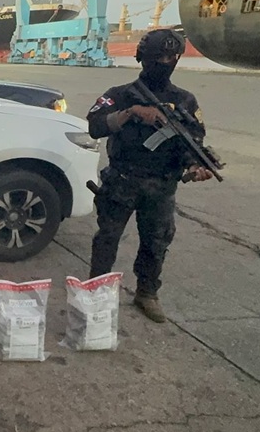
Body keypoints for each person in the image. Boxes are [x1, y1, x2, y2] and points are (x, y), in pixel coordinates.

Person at [85, 29, 214, 323]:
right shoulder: (120, 95)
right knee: (107, 239)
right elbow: (95, 126)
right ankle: (95, 291)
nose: (165, 63)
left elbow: (193, 143)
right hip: (122, 180)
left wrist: (195, 166)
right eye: (159, 57)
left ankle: (147, 293)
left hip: (162, 185)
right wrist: (131, 113)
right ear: (143, 57)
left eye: (171, 57)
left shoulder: (185, 101)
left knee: (156, 243)